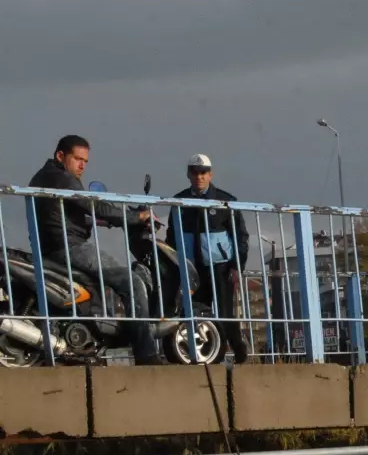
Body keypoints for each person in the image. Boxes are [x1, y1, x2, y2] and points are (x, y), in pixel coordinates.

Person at [29, 135, 163, 365]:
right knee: (132, 282)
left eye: (85, 161)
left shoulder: (42, 177)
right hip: (70, 247)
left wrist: (106, 221)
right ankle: (146, 352)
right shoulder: (63, 178)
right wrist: (137, 216)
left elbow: (66, 215)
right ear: (61, 156)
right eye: (77, 159)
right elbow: (94, 205)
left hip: (52, 246)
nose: (82, 165)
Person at [164, 154, 251, 363]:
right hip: (192, 268)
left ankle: (240, 353)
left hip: (220, 267)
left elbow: (241, 236)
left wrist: (237, 266)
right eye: (194, 172)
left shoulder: (225, 201)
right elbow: (171, 236)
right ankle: (210, 355)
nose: (199, 177)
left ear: (210, 175)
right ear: (188, 174)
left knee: (225, 313)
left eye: (203, 173)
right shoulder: (179, 201)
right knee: (196, 313)